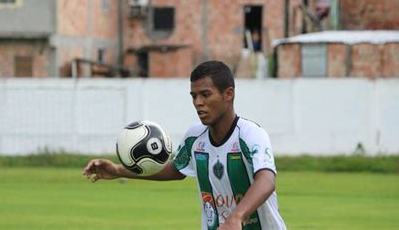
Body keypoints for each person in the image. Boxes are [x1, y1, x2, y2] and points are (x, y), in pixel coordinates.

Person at [83, 60, 287, 230]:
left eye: (205, 95)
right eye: (194, 96)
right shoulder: (194, 137)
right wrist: (119, 170)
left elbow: (267, 180)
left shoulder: (251, 134)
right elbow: (176, 169)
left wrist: (237, 216)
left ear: (228, 94)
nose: (198, 102)